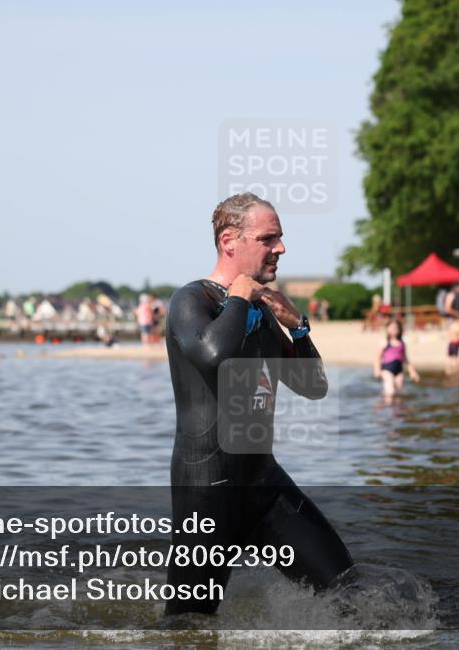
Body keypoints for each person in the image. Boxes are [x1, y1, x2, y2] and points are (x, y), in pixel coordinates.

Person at [164, 193, 353, 616]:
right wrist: (239, 297)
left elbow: (313, 386)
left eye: (280, 238)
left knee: (349, 594)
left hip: (264, 485)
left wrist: (299, 328)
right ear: (230, 241)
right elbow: (212, 353)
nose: (280, 249)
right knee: (188, 626)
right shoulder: (192, 302)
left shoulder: (263, 312)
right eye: (269, 239)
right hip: (207, 492)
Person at [373, 318, 421, 400]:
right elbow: (377, 358)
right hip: (387, 369)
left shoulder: (402, 343)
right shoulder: (385, 342)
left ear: (399, 330)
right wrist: (377, 370)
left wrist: (412, 372)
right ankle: (387, 404)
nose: (393, 330)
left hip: (399, 370)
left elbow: (405, 359)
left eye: (396, 328)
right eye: (391, 328)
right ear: (387, 329)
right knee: (390, 390)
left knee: (398, 392)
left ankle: (397, 410)